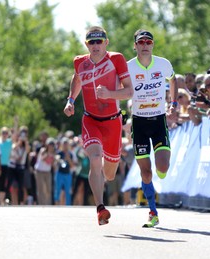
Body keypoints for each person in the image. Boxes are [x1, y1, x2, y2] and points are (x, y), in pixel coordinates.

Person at [63, 26, 133, 225]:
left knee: (109, 174)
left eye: (99, 41)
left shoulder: (116, 59)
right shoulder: (79, 62)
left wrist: (110, 94)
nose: (95, 46)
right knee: (94, 158)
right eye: (91, 42)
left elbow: (129, 92)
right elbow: (76, 79)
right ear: (86, 44)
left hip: (113, 122)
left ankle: (103, 172)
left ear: (106, 43)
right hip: (90, 119)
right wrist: (70, 100)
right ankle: (100, 208)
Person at [127, 29, 177, 227]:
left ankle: (158, 177)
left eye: (148, 42)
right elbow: (119, 88)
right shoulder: (128, 67)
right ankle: (152, 211)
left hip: (158, 120)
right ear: (136, 46)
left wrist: (173, 103)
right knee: (146, 173)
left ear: (153, 45)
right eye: (141, 42)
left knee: (162, 168)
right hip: (139, 122)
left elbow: (173, 79)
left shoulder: (163, 64)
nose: (145, 45)